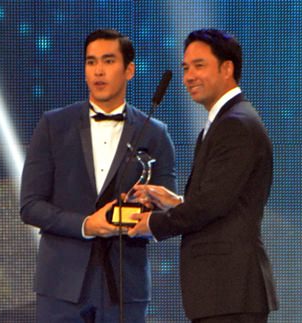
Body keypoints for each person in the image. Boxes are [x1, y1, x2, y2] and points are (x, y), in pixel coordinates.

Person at [20, 29, 176, 323]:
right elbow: (30, 205)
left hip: (124, 287)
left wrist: (144, 218)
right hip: (60, 286)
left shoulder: (155, 133)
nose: (98, 71)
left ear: (129, 70)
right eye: (91, 62)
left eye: (108, 61)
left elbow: (166, 213)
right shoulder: (54, 126)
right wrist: (87, 225)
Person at [128, 29, 279, 323]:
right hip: (222, 293)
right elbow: (222, 198)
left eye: (199, 66)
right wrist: (175, 201)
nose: (188, 76)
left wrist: (151, 223)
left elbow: (211, 206)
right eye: (185, 68)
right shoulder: (221, 124)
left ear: (227, 68)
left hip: (230, 291)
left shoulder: (235, 125)